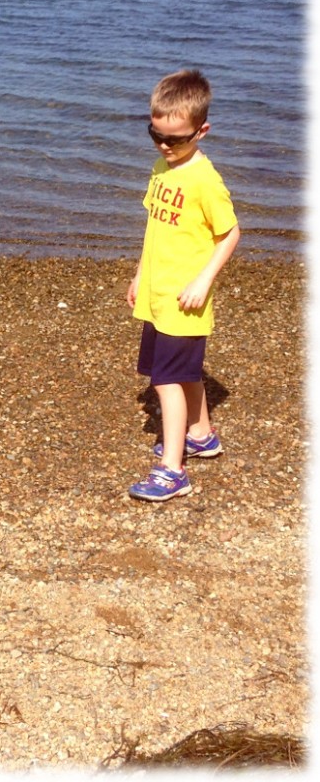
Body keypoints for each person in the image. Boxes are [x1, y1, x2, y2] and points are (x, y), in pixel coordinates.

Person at [126, 69, 240, 502]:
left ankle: (173, 470)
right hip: (158, 294)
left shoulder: (203, 180)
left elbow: (230, 233)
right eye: (156, 134)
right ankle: (201, 435)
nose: (164, 145)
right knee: (183, 373)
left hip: (184, 300)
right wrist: (140, 273)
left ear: (202, 131)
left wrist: (203, 280)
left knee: (165, 380)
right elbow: (154, 227)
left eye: (176, 139)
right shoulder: (163, 166)